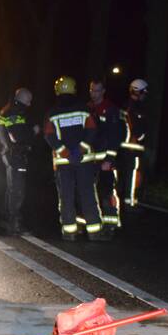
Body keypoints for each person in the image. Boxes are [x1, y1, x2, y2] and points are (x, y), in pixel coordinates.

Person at [43, 76, 109, 241]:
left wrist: (66, 153)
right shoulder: (84, 109)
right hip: (84, 161)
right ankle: (94, 232)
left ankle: (69, 232)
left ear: (57, 90)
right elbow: (92, 131)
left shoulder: (52, 113)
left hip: (63, 162)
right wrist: (79, 150)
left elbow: (49, 136)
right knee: (87, 194)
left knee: (66, 197)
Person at [0, 87, 36, 234]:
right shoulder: (14, 112)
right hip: (16, 154)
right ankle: (15, 224)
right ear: (22, 99)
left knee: (11, 187)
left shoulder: (7, 110)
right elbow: (18, 136)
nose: (30, 104)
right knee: (17, 189)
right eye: (28, 101)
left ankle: (7, 217)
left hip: (9, 154)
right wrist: (33, 131)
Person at [87, 80, 122, 228]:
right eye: (92, 90)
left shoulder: (110, 109)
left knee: (107, 191)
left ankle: (111, 222)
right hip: (90, 158)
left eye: (97, 90)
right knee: (89, 191)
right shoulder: (87, 108)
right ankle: (94, 221)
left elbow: (114, 136)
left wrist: (109, 159)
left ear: (103, 91)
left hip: (105, 159)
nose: (94, 93)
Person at [118, 78, 148, 209]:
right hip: (132, 149)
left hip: (124, 148)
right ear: (137, 92)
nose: (145, 95)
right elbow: (136, 129)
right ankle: (130, 204)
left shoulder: (126, 105)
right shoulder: (134, 108)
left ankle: (125, 202)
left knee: (126, 176)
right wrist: (141, 137)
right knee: (132, 176)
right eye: (144, 92)